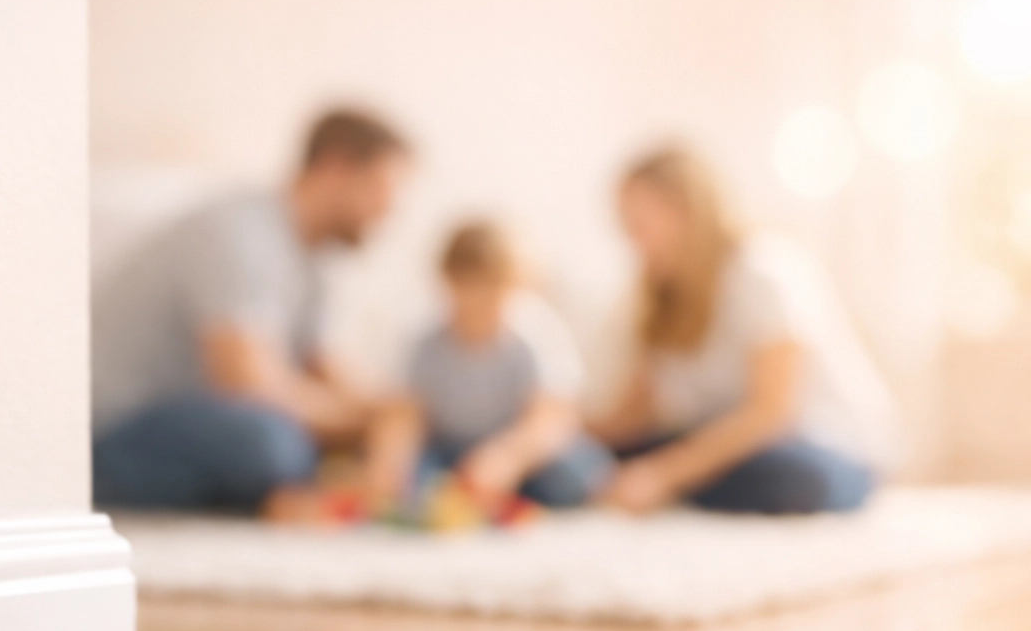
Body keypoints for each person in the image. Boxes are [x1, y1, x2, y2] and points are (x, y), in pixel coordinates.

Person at [91, 108, 412, 516]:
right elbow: (246, 382)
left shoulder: (313, 262)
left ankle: (274, 495)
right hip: (118, 430)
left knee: (392, 449)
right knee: (269, 442)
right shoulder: (239, 231)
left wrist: (396, 416)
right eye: (383, 187)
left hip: (205, 418)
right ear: (336, 167)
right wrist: (366, 424)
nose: (391, 209)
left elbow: (324, 371)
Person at [591, 146, 897, 515]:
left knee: (789, 477)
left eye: (638, 224)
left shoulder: (764, 272)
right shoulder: (660, 299)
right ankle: (693, 486)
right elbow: (639, 412)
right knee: (592, 459)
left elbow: (771, 413)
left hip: (816, 446)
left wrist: (662, 475)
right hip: (723, 445)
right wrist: (567, 436)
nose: (631, 240)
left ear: (683, 211)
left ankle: (688, 487)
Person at [359, 221, 611, 518]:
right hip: (449, 450)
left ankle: (504, 498)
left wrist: (508, 458)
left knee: (576, 474)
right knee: (414, 483)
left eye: (493, 291)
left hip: (519, 450)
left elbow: (552, 419)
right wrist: (391, 464)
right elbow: (404, 415)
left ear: (518, 288)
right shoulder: (423, 342)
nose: (479, 304)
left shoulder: (536, 334)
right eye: (468, 289)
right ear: (447, 284)